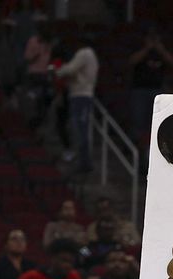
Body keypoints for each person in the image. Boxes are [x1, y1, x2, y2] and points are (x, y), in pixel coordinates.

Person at [56, 37, 100, 176]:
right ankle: (83, 162)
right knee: (81, 129)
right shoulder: (91, 55)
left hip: (81, 96)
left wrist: (57, 71)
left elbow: (70, 69)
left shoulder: (84, 53)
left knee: (80, 130)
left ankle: (84, 163)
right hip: (83, 95)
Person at [20, 238, 84, 279]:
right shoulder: (31, 277)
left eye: (71, 262)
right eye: (64, 260)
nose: (68, 265)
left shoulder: (74, 278)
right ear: (53, 258)